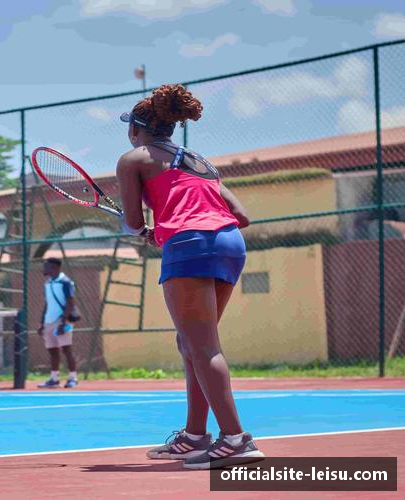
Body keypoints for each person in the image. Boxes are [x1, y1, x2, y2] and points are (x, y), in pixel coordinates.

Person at [114, 84, 263, 469]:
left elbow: (132, 223)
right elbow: (241, 216)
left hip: (190, 246)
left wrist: (149, 231)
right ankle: (196, 436)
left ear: (135, 129)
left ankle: (236, 439)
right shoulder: (200, 162)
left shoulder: (133, 159)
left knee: (202, 345)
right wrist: (169, 226)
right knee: (192, 342)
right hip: (230, 244)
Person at [36, 257, 79, 389]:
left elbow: (70, 303)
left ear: (54, 268)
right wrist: (42, 323)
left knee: (66, 349)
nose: (44, 269)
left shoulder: (65, 282)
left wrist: (63, 322)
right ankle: (54, 379)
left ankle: (73, 378)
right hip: (49, 321)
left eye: (46, 266)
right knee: (53, 351)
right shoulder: (48, 283)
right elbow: (48, 304)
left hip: (61, 320)